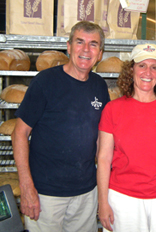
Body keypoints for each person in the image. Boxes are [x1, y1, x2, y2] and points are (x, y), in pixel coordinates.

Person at [11, 21, 110, 232]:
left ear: (100, 53)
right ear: (68, 46)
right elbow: (19, 133)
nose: (86, 50)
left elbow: (103, 140)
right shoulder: (45, 82)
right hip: (45, 194)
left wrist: (104, 189)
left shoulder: (100, 86)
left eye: (93, 44)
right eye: (79, 42)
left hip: (86, 192)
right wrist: (27, 186)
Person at [97, 43, 156, 232]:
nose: (148, 72)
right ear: (131, 69)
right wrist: (102, 202)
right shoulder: (113, 109)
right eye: (142, 65)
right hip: (123, 198)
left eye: (154, 67)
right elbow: (104, 158)